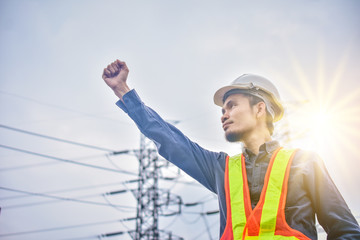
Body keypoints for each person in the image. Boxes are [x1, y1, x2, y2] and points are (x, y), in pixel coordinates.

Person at [102, 59, 360, 239]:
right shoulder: (221, 169)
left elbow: (347, 232)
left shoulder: (304, 162)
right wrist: (123, 90)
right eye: (222, 110)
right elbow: (170, 140)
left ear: (260, 108)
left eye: (232, 105)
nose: (223, 114)